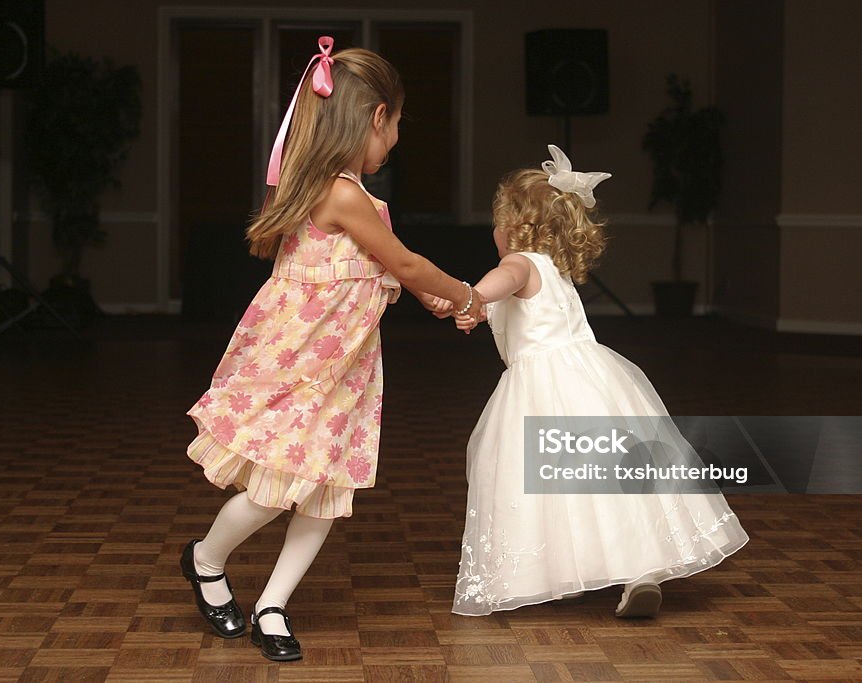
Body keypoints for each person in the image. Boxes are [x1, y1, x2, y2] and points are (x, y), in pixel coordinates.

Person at [180, 37, 483, 661]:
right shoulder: (340, 193)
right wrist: (463, 294)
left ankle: (272, 604)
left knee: (324, 485)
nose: (394, 142)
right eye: (394, 128)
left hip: (345, 364)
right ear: (376, 118)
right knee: (276, 485)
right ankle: (206, 560)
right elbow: (402, 258)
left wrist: (426, 298)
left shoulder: (338, 189)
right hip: (302, 361)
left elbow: (379, 269)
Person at [447, 145, 749, 617]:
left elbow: (492, 286)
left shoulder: (518, 264)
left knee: (542, 486)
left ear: (512, 227)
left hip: (543, 390)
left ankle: (555, 568)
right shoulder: (555, 269)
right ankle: (640, 571)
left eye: (496, 222)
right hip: (598, 382)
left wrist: (467, 300)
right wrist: (480, 308)